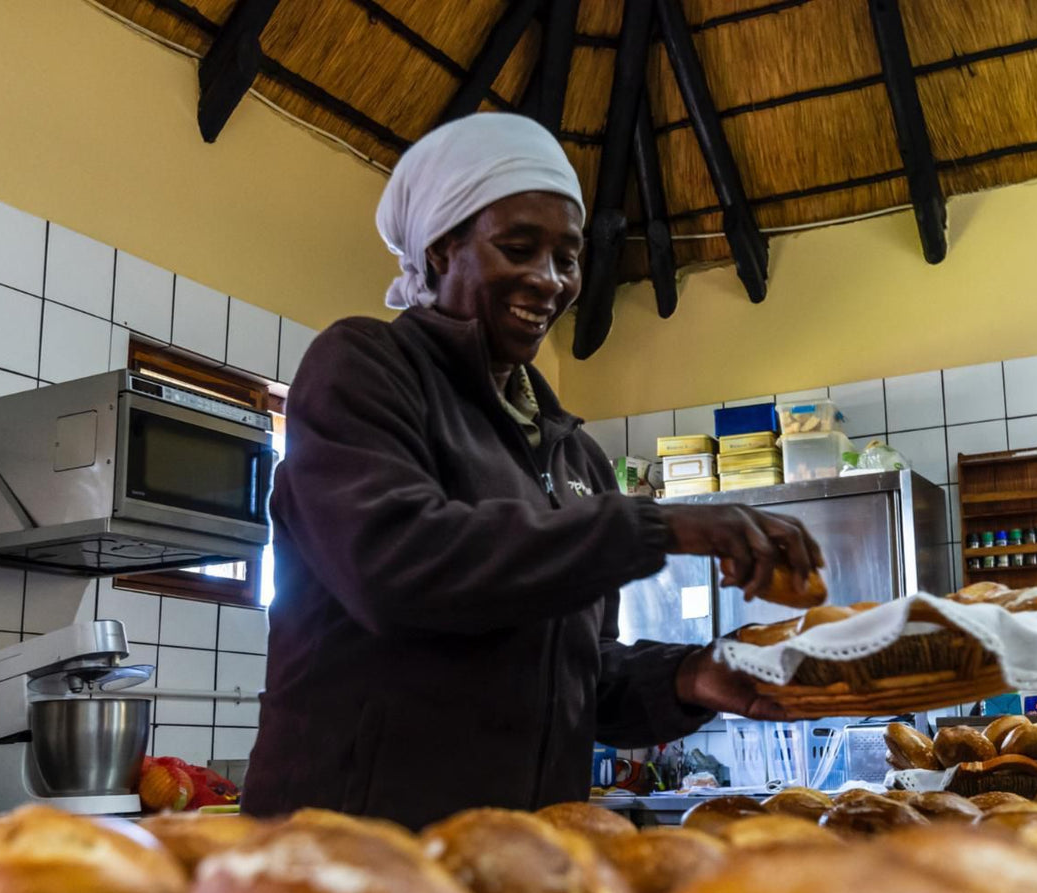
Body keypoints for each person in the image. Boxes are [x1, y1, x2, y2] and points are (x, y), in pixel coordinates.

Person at [243, 113, 823, 830]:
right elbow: (397, 567)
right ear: (439, 249)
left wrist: (690, 675)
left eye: (568, 257)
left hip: (519, 863)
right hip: (352, 852)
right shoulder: (365, 369)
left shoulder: (572, 454)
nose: (549, 281)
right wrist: (661, 523)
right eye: (518, 248)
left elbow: (579, 672)